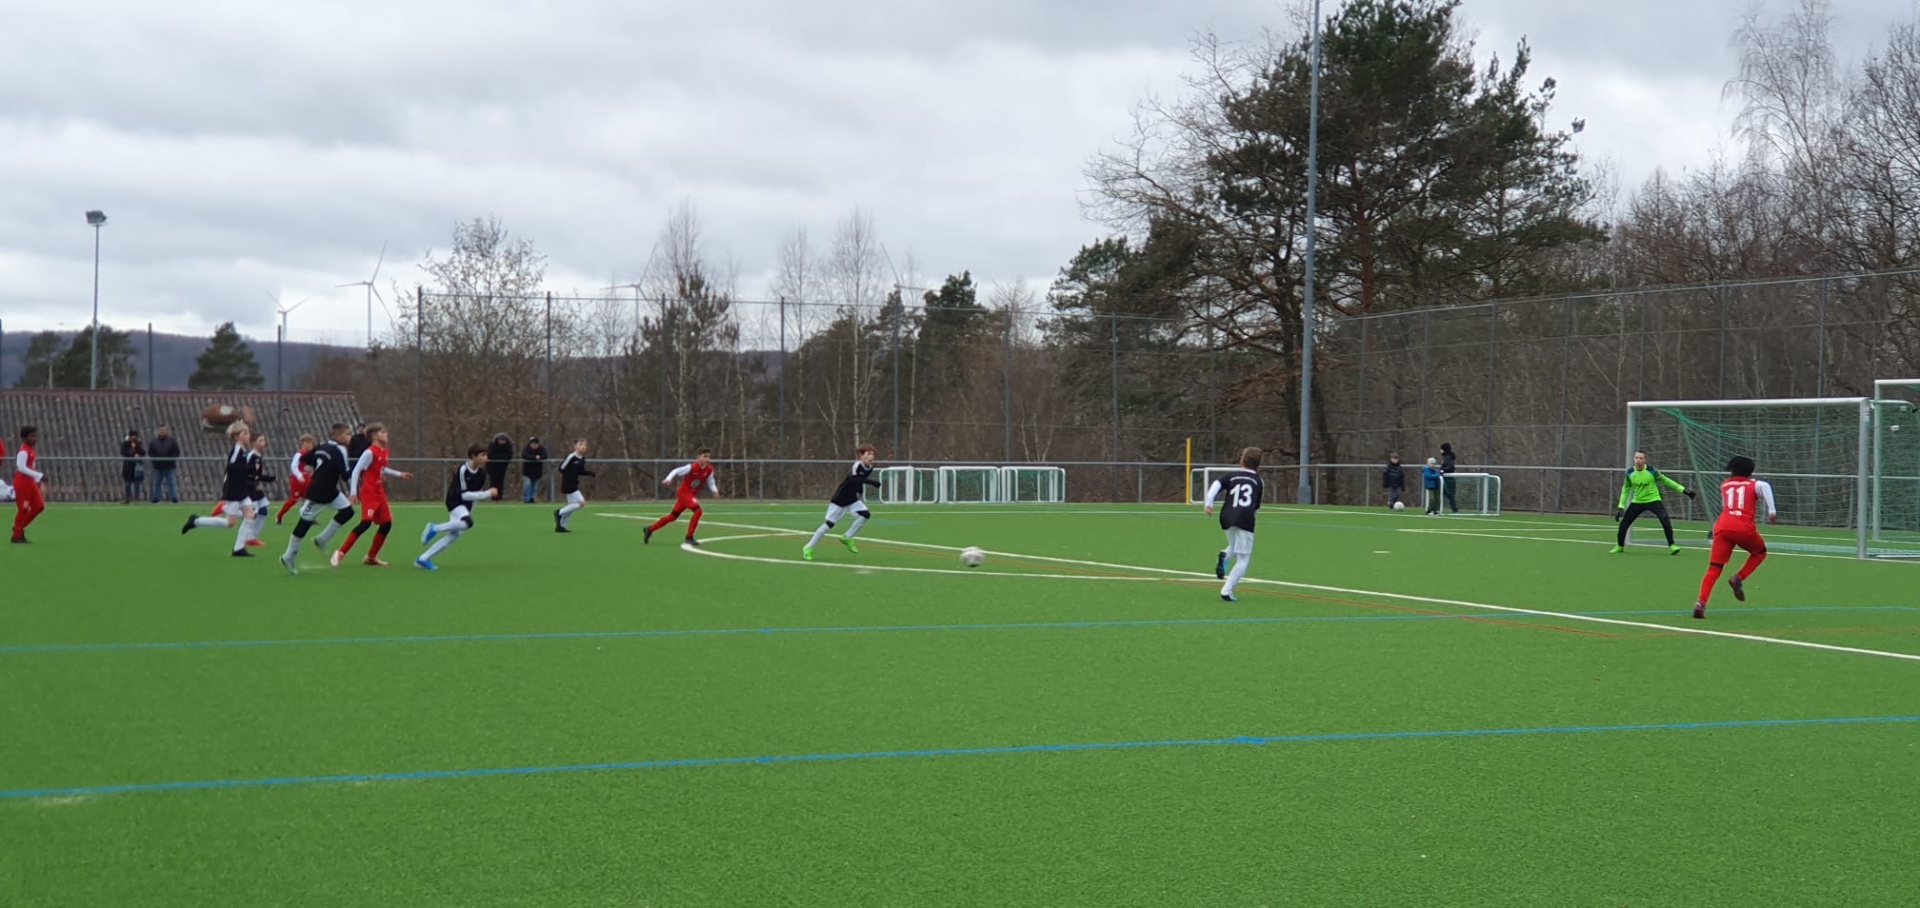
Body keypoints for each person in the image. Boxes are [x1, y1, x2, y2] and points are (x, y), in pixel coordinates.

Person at [1694, 455, 1775, 620]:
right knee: (1760, 552)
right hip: (1743, 528)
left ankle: (1700, 603)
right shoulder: (1755, 484)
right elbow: (1765, 487)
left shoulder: (1725, 484)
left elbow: (1726, 505)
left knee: (1714, 568)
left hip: (1722, 527)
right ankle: (1738, 578)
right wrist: (1772, 511)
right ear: (1750, 471)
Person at [280, 423, 359, 576]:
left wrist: (319, 467)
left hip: (329, 491)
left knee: (348, 512)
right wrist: (359, 466)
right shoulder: (340, 450)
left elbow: (306, 458)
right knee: (304, 523)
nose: (350, 437)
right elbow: (345, 475)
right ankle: (288, 556)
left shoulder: (321, 446)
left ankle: (322, 539)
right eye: (348, 434)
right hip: (319, 492)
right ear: (338, 436)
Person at [333, 423, 413, 566]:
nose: (386, 435)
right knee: (365, 524)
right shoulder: (369, 453)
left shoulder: (384, 451)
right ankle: (340, 552)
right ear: (375, 436)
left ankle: (371, 557)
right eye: (383, 432)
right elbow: (356, 470)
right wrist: (353, 492)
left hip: (379, 492)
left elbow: (381, 468)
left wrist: (399, 474)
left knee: (386, 524)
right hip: (369, 493)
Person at [180, 421, 260, 557]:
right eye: (244, 433)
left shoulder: (242, 451)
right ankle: (196, 521)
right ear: (236, 437)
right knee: (230, 523)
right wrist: (249, 470)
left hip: (241, 490)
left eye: (248, 433)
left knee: (250, 514)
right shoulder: (237, 451)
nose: (248, 435)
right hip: (234, 491)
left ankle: (239, 548)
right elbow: (232, 468)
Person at [417, 443, 499, 570]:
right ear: (473, 456)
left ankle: (423, 559)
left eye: (486, 455)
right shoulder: (463, 470)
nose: (486, 458)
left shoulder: (482, 474)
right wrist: (487, 494)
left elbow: (475, 495)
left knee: (454, 535)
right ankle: (434, 528)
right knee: (468, 524)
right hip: (454, 501)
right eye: (483, 455)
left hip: (466, 505)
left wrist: (469, 512)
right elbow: (464, 495)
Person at [1203, 446, 1264, 602]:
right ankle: (1227, 590)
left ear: (1241, 460)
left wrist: (1209, 503)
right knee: (1244, 558)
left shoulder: (1230, 475)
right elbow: (1256, 506)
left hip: (1227, 516)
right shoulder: (1258, 481)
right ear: (1258, 465)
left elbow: (1216, 486)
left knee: (1234, 545)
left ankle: (1224, 555)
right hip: (1245, 519)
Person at [803, 444, 881, 560]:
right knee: (829, 525)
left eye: (873, 454)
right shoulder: (857, 465)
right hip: (841, 498)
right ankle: (808, 547)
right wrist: (871, 482)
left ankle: (847, 537)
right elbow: (854, 479)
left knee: (866, 514)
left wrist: (860, 490)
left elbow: (859, 481)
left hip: (852, 498)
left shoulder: (870, 468)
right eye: (868, 454)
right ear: (861, 455)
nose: (871, 457)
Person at [1612, 451, 1696, 554]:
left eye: (1641, 458)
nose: (1638, 460)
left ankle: (1672, 545)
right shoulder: (1630, 473)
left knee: (1665, 519)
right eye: (1636, 458)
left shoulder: (1652, 471)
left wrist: (1683, 490)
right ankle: (1620, 546)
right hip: (1637, 501)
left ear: (1645, 460)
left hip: (1653, 500)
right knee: (1624, 524)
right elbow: (1625, 490)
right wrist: (1621, 507)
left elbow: (1666, 480)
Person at [644, 449, 718, 546]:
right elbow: (676, 471)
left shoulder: (709, 469)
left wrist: (714, 490)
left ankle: (649, 529)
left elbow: (711, 481)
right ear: (698, 457)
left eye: (709, 457)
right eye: (705, 456)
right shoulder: (691, 467)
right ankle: (689, 537)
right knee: (698, 511)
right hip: (684, 493)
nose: (707, 459)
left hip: (690, 495)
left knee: (673, 516)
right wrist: (668, 479)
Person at [12, 426, 46, 544]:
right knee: (23, 509)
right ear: (24, 438)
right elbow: (21, 468)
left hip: (30, 482)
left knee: (39, 506)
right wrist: (39, 475)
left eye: (35, 436)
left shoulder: (30, 450)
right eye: (32, 436)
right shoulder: (23, 451)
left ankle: (18, 528)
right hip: (22, 483)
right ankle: (17, 536)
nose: (35, 438)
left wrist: (36, 479)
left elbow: (31, 467)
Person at [554, 439, 594, 533]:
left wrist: (589, 473)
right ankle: (559, 512)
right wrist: (569, 477)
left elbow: (581, 471)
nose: (583, 447)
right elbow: (561, 468)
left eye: (585, 445)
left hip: (574, 483)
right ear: (575, 447)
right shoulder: (571, 457)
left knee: (571, 507)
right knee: (582, 503)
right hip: (568, 484)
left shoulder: (582, 459)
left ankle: (561, 526)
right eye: (581, 444)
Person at [276, 435, 315, 524]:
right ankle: (280, 515)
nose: (309, 445)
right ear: (302, 444)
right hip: (298, 480)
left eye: (310, 443)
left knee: (311, 498)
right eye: (307, 442)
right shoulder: (300, 454)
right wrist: (299, 476)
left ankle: (308, 518)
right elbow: (293, 465)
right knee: (294, 500)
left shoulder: (311, 455)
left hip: (307, 478)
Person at [148, 425, 181, 503]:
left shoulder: (172, 441)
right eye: (161, 430)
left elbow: (176, 451)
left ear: (167, 431)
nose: (162, 431)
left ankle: (173, 497)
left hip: (169, 466)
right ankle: (156, 497)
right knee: (157, 482)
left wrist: (171, 459)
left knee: (171, 482)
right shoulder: (154, 442)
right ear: (158, 431)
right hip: (158, 466)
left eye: (164, 430)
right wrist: (155, 461)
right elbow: (151, 452)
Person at [119, 429, 146, 504]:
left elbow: (143, 452)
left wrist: (137, 448)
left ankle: (136, 498)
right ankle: (128, 498)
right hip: (128, 466)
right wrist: (132, 450)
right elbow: (124, 452)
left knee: (137, 483)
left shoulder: (138, 444)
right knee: (128, 483)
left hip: (136, 467)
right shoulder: (125, 444)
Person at [521, 435, 548, 503]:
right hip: (527, 472)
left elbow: (545, 456)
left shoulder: (541, 449)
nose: (534, 445)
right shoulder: (527, 449)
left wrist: (539, 458)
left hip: (537, 472)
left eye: (536, 444)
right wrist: (535, 457)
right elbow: (525, 455)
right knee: (527, 485)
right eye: (532, 444)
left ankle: (532, 498)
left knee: (534, 486)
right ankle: (526, 499)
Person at [1439, 442, 1459, 514]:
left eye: (1441, 449)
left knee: (1449, 495)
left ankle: (1455, 510)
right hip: (1446, 480)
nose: (1440, 451)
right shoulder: (1447, 458)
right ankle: (1439, 509)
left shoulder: (1448, 458)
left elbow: (1451, 467)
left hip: (1448, 480)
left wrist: (1443, 470)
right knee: (1447, 495)